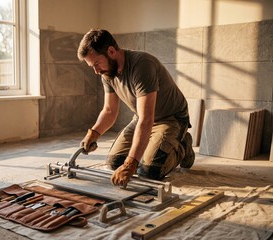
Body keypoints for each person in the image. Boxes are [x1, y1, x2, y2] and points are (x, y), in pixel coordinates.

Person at [77, 29, 195, 188]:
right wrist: (94, 133)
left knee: (148, 171)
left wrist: (130, 164)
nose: (96, 71)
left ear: (111, 51)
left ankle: (183, 146)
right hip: (141, 118)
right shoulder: (108, 73)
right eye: (92, 66)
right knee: (114, 163)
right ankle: (155, 146)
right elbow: (110, 110)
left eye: (97, 64)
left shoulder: (142, 65)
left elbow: (147, 119)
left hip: (171, 118)